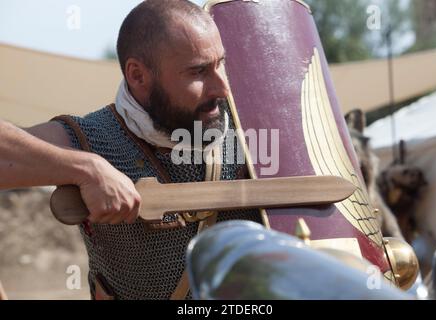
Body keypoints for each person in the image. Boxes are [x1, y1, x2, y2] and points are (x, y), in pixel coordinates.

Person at [23, 0, 262, 300]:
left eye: (220, 64)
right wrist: (85, 168)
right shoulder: (93, 140)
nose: (221, 88)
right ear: (137, 76)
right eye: (199, 71)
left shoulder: (253, 127)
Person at [0, 119, 141, 224]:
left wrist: (164, 219)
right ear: (138, 77)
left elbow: (164, 220)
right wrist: (89, 168)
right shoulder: (85, 135)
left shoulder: (165, 218)